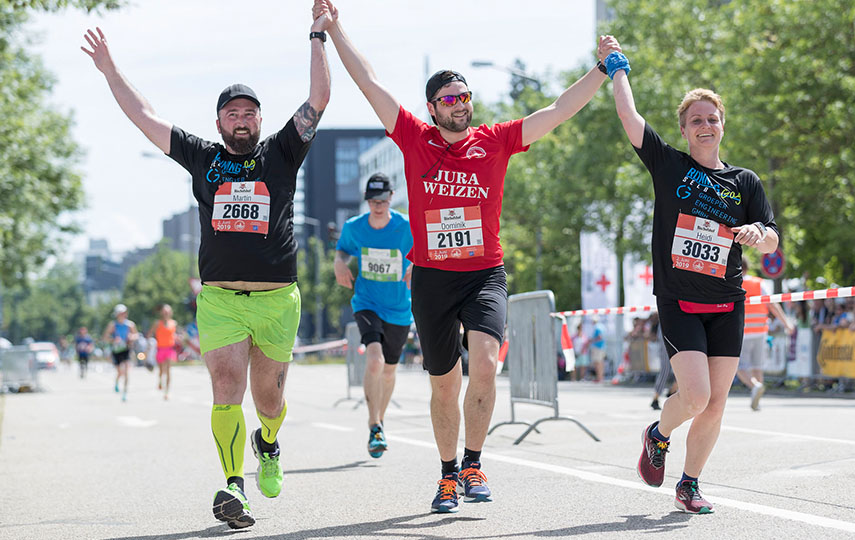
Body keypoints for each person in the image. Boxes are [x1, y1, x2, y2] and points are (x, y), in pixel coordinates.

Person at [321, 0, 610, 513]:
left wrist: (601, 70)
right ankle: (448, 473)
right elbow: (368, 83)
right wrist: (336, 30)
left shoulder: (495, 141)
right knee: (443, 384)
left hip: (484, 275)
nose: (460, 103)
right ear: (432, 106)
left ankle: (474, 463)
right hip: (431, 279)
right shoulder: (414, 138)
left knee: (484, 363)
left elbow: (558, 110)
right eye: (449, 97)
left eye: (465, 96)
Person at [81, 3, 331, 529]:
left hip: (276, 300)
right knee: (225, 388)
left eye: (249, 113)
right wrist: (110, 71)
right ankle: (232, 487)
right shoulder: (202, 157)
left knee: (269, 400)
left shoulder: (283, 152)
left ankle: (269, 443)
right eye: (232, 114)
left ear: (260, 120)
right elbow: (144, 116)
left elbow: (319, 99)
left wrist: (317, 34)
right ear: (219, 123)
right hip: (219, 299)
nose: (241, 120)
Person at [605, 36, 781, 514]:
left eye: (712, 118)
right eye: (696, 120)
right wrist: (617, 66)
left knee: (717, 404)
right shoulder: (670, 166)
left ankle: (690, 484)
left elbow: (772, 239)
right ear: (684, 130)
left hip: (728, 302)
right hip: (680, 299)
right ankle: (658, 434)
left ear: (723, 125)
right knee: (697, 396)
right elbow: (628, 117)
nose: (706, 125)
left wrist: (756, 232)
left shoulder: (744, 182)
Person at [334, 173, 414, 458]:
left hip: (398, 307)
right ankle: (373, 422)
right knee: (375, 359)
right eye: (372, 201)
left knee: (390, 371)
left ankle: (380, 422)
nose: (378, 206)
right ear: (367, 201)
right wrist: (339, 264)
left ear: (391, 198)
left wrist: (415, 264)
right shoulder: (355, 227)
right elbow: (342, 250)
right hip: (366, 301)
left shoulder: (405, 226)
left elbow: (425, 249)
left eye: (382, 200)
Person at [736, 258, 793, 411]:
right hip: (760, 331)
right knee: (757, 366)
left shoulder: (733, 282)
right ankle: (757, 398)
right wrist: (786, 322)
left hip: (743, 331)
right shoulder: (759, 283)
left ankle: (755, 386)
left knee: (739, 367)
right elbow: (773, 304)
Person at [102, 304, 138, 401]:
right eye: (120, 313)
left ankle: (125, 393)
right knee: (119, 371)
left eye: (123, 313)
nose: (122, 315)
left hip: (126, 349)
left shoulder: (130, 325)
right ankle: (117, 382)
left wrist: (131, 337)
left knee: (126, 370)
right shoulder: (113, 325)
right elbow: (105, 337)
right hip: (116, 350)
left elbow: (136, 335)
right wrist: (113, 340)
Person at [147, 304, 178, 400]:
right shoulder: (157, 323)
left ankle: (167, 392)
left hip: (169, 349)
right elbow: (149, 334)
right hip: (160, 349)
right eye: (164, 312)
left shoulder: (174, 323)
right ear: (161, 313)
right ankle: (160, 380)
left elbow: (174, 334)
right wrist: (150, 342)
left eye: (168, 312)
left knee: (168, 370)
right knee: (161, 370)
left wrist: (177, 338)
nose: (166, 314)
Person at [588, 317, 607, 383]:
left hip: (597, 347)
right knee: (601, 363)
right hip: (602, 347)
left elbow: (599, 337)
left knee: (597, 363)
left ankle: (599, 378)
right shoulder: (602, 326)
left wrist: (592, 340)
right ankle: (601, 377)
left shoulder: (597, 327)